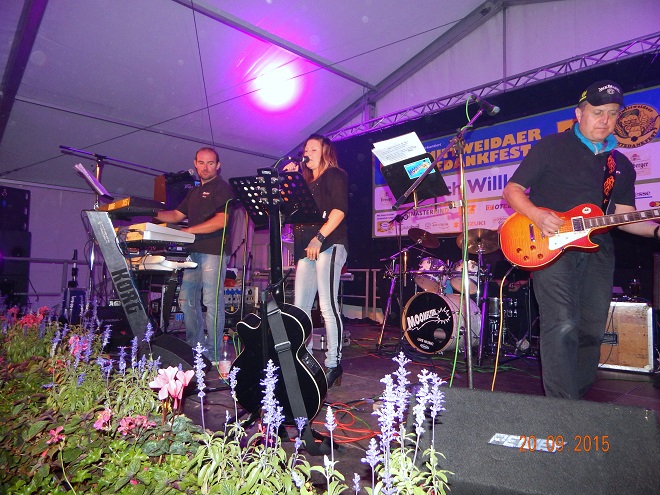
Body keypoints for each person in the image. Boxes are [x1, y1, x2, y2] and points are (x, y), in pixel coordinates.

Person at [502, 80, 659, 399]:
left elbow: (626, 217)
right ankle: (563, 407)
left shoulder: (620, 164)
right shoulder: (551, 147)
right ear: (579, 114)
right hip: (550, 247)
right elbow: (512, 190)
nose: (605, 119)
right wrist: (536, 214)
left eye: (612, 113)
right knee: (561, 324)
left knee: (591, 330)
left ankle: (578, 402)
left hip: (599, 250)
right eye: (597, 112)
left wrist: (656, 230)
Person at [155, 147, 235, 362]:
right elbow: (176, 214)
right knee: (186, 299)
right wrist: (150, 212)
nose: (205, 167)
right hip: (194, 252)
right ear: (195, 164)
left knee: (211, 301)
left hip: (214, 252)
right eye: (201, 163)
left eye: (210, 163)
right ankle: (195, 348)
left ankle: (213, 352)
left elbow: (221, 221)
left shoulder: (222, 188)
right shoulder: (194, 192)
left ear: (218, 166)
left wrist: (189, 230)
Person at [283, 134, 349, 388]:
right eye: (305, 149)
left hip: (329, 243)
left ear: (325, 152)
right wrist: (289, 182)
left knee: (327, 306)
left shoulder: (335, 175)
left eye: (313, 149)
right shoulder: (305, 183)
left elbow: (339, 211)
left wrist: (319, 238)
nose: (306, 153)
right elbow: (289, 213)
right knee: (300, 308)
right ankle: (305, 361)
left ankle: (333, 364)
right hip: (306, 248)